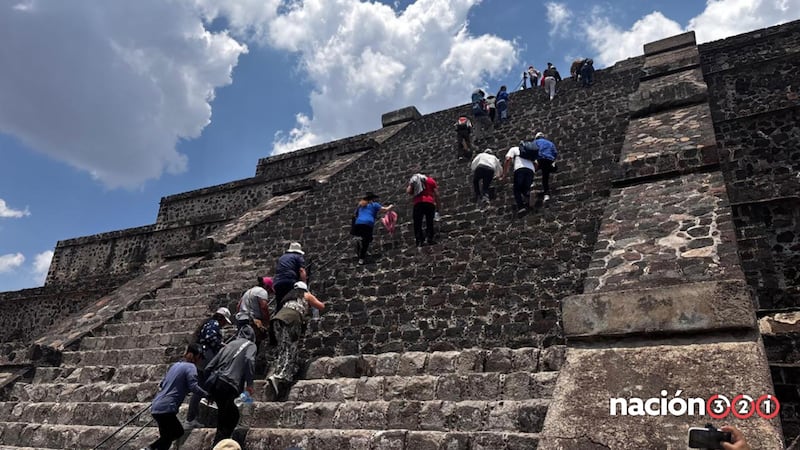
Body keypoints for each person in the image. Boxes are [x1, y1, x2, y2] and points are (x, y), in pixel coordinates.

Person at [141, 344, 208, 450]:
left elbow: (163, 383)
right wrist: (207, 395)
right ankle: (149, 448)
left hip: (156, 405)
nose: (200, 361)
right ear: (196, 356)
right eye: (200, 358)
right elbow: (193, 386)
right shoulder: (191, 367)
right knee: (177, 432)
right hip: (167, 407)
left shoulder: (175, 365)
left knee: (166, 439)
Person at [267, 281, 325, 399]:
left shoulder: (288, 297)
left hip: (277, 320)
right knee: (291, 349)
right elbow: (321, 306)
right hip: (291, 320)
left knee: (282, 348)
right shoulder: (305, 295)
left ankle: (277, 373)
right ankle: (281, 376)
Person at [204, 325, 257, 445]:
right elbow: (249, 359)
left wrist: (209, 391)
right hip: (229, 385)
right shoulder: (250, 345)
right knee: (231, 418)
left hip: (216, 383)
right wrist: (249, 383)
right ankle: (222, 445)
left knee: (223, 418)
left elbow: (209, 367)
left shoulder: (229, 345)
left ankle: (219, 444)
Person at [186, 307, 232, 428]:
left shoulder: (207, 323)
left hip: (202, 357)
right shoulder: (214, 324)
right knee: (214, 379)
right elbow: (210, 338)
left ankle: (192, 417)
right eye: (224, 321)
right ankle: (211, 401)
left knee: (200, 386)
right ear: (221, 318)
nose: (224, 325)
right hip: (207, 357)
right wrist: (222, 345)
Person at [351, 192, 394, 265]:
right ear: (372, 199)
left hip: (358, 223)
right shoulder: (374, 205)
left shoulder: (360, 205)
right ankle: (361, 259)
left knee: (361, 236)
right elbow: (385, 209)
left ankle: (358, 239)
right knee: (367, 241)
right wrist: (391, 206)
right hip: (368, 224)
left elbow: (356, 214)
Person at [406, 173, 440, 247]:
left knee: (417, 223)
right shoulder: (431, 181)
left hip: (418, 203)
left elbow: (409, 191)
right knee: (429, 221)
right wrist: (438, 206)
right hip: (430, 202)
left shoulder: (415, 180)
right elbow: (436, 194)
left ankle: (419, 240)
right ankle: (430, 239)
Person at [272, 243, 307, 311]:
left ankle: (278, 319)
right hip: (290, 281)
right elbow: (301, 270)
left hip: (278, 283)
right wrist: (304, 283)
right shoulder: (298, 257)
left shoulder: (282, 257)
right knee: (291, 302)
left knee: (280, 304)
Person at [503, 144, 536, 214]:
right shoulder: (528, 151)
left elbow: (508, 159)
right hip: (531, 170)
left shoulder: (513, 149)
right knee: (525, 188)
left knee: (517, 189)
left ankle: (521, 207)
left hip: (520, 169)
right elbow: (536, 163)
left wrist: (505, 174)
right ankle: (529, 195)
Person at [532, 131, 558, 202]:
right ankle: (546, 195)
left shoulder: (535, 142)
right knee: (545, 177)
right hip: (548, 160)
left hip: (539, 160)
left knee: (531, 171)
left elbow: (532, 151)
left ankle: (530, 185)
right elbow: (555, 153)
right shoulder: (550, 143)